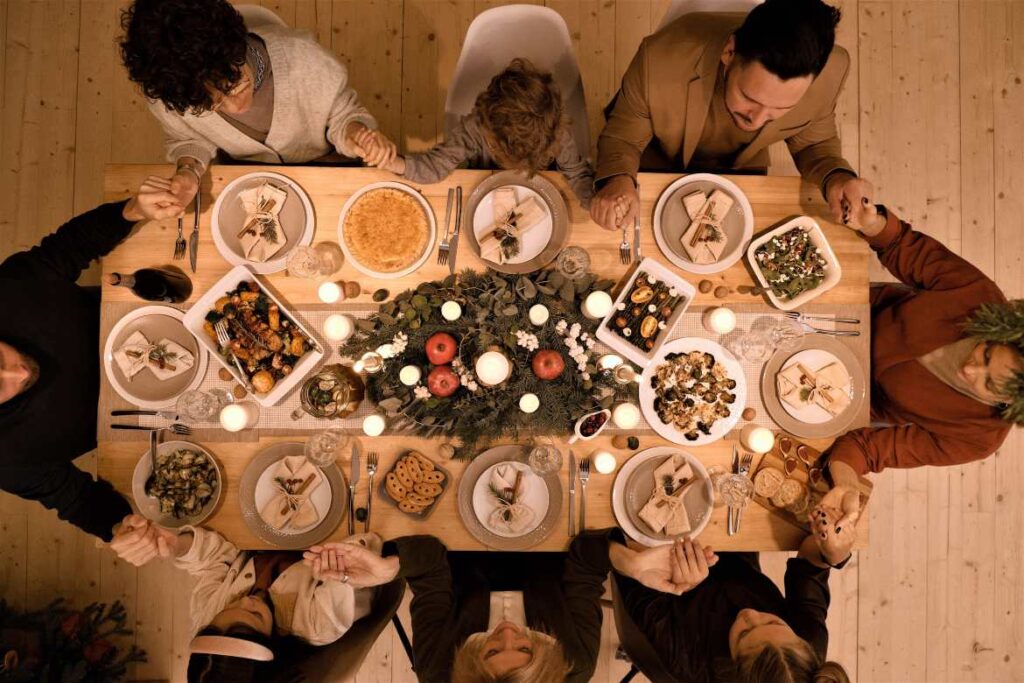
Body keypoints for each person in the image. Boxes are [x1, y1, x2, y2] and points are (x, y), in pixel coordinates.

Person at [808, 198, 1024, 559]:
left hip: (844, 397)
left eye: (987, 385)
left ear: (1005, 403)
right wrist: (871, 220)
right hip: (849, 314)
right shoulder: (981, 298)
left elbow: (869, 448)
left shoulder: (978, 438)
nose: (970, 370)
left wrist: (846, 486)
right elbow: (901, 245)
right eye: (986, 354)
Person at [0, 180, 184, 541]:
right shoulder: (7, 461)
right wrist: (118, 526)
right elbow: (76, 501)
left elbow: (68, 248)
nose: (18, 371)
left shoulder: (8, 290)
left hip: (155, 311)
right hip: (163, 412)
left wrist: (130, 210)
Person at [591, 0, 871, 231]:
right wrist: (618, 179)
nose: (758, 121)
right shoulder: (659, 58)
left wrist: (836, 177)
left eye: (781, 109)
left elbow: (814, 144)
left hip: (743, 172)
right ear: (729, 51)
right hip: (653, 159)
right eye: (750, 98)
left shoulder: (833, 70)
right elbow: (623, 138)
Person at [118, 0, 397, 208]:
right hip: (248, 180)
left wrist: (356, 133)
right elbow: (186, 139)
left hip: (328, 165)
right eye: (212, 106)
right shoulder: (173, 97)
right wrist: (189, 171)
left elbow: (343, 115)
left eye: (236, 85)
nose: (235, 108)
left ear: (237, 48)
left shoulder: (305, 59)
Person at [300, 533, 681, 683]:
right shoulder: (574, 662)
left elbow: (432, 566)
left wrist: (389, 568)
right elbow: (584, 561)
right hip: (549, 547)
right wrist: (629, 564)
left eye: (492, 649)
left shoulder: (438, 669)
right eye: (527, 648)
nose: (509, 633)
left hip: (463, 549)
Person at [109, 514, 382, 680]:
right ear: (272, 643)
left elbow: (215, 560)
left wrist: (177, 546)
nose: (246, 600)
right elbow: (364, 546)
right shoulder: (319, 623)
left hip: (269, 533)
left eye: (226, 612)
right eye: (254, 615)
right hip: (341, 531)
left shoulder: (208, 620)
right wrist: (338, 562)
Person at [609, 532, 850, 682]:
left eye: (744, 633)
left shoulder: (683, 659)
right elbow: (810, 562)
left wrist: (675, 581)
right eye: (773, 620)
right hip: (735, 545)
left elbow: (620, 555)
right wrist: (831, 551)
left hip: (656, 566)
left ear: (732, 667)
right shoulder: (806, 649)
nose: (750, 613)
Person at [377, 58, 594, 208]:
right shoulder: (475, 127)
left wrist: (594, 201)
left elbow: (577, 175)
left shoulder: (558, 134)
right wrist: (396, 163)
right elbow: (436, 166)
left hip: (545, 193)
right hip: (481, 189)